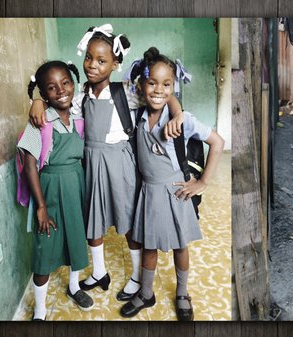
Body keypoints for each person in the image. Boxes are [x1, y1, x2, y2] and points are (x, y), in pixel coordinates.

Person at [28, 24, 184, 302]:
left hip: (119, 164)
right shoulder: (80, 97)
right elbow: (56, 103)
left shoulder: (126, 92)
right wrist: (37, 101)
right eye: (88, 57)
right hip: (91, 162)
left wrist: (177, 115)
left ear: (115, 64)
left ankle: (137, 277)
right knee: (93, 220)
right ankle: (99, 271)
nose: (92, 65)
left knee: (128, 221)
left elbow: (164, 95)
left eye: (101, 61)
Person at [119, 47, 224, 321]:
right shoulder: (137, 116)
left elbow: (218, 142)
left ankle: (182, 293)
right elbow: (122, 91)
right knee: (149, 246)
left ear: (174, 86)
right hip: (149, 193)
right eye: (151, 82)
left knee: (180, 247)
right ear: (141, 84)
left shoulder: (182, 120)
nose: (158, 90)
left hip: (176, 192)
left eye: (167, 84)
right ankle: (145, 293)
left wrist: (202, 182)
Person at [18, 61, 93, 320]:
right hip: (48, 189)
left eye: (66, 83)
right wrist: (40, 206)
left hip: (76, 185)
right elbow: (29, 165)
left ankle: (74, 287)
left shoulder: (79, 117)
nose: (61, 91)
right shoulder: (39, 121)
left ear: (73, 84)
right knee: (44, 247)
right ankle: (39, 310)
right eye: (51, 88)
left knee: (75, 239)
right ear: (43, 93)